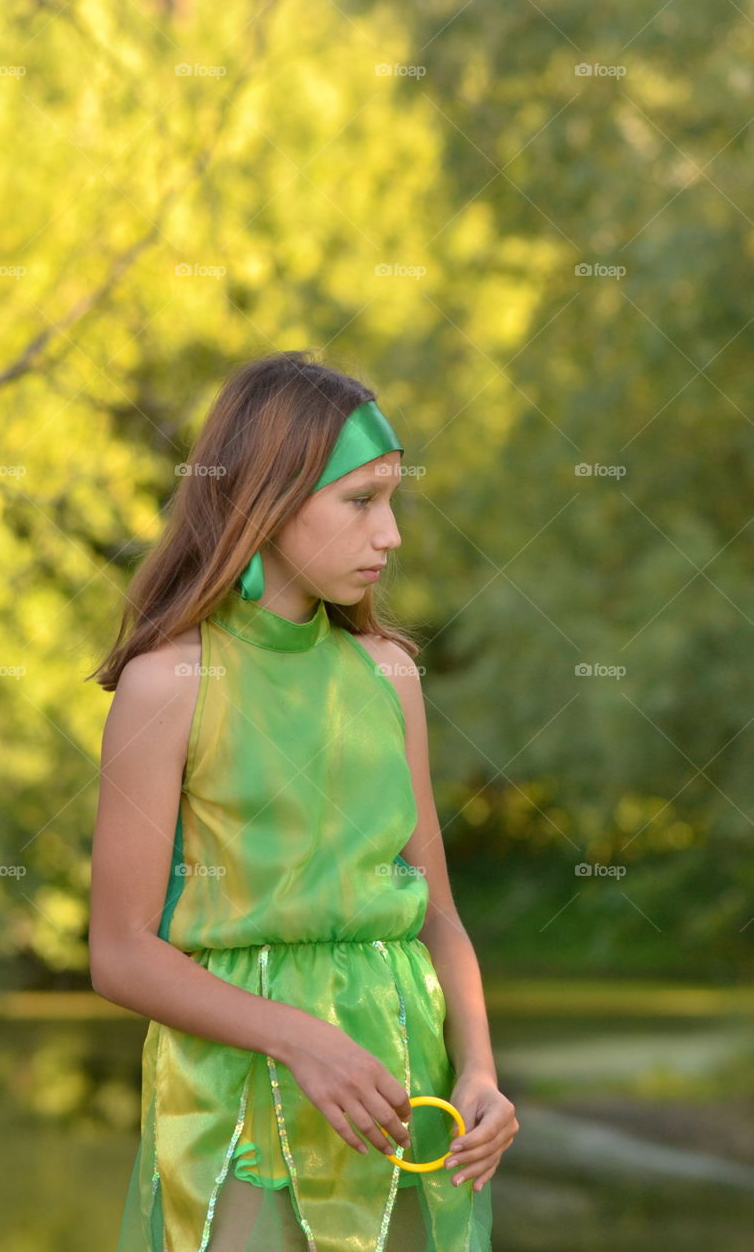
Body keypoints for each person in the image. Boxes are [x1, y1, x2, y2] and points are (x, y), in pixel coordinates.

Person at [87, 350, 518, 1251]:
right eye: (360, 501)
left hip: (405, 1095)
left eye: (391, 499)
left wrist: (477, 1070)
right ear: (267, 501)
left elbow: (436, 913)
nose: (390, 535)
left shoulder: (388, 674)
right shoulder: (170, 684)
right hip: (237, 1099)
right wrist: (297, 1038)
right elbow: (121, 954)